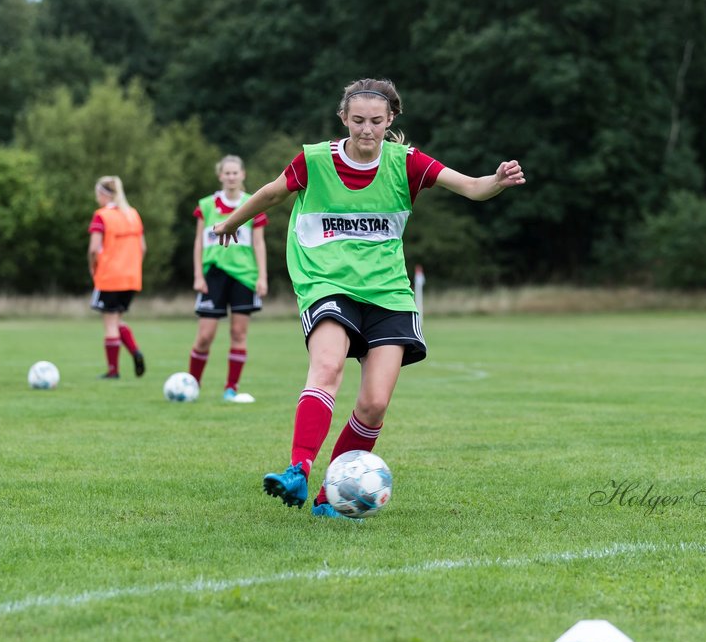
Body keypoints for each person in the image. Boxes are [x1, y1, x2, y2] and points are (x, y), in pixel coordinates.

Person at [213, 78, 526, 518]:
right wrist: (231, 222)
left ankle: (329, 495)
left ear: (390, 120)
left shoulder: (407, 163)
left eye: (376, 121)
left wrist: (496, 180)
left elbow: (473, 187)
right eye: (357, 120)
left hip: (388, 292)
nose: (366, 130)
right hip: (326, 283)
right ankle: (298, 469)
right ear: (343, 118)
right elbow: (270, 193)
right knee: (326, 368)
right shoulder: (315, 160)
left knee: (374, 404)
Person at [188, 155, 269, 402]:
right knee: (204, 336)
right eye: (227, 173)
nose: (231, 177)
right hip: (213, 275)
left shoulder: (252, 203)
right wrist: (198, 275)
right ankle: (192, 386)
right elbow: (199, 241)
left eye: (236, 173)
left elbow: (258, 242)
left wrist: (262, 276)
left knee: (238, 333)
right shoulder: (207, 204)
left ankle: (231, 388)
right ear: (220, 175)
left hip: (244, 275)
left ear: (242, 175)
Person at [88, 176, 146, 379]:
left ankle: (113, 370)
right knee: (117, 319)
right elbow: (143, 248)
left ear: (104, 194)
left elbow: (94, 249)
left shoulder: (101, 216)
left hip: (110, 276)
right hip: (131, 277)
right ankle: (135, 351)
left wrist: (92, 267)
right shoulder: (133, 215)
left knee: (110, 324)